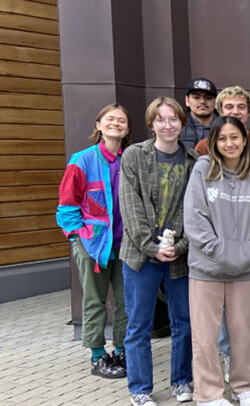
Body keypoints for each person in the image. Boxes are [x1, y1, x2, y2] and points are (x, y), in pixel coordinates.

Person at [184, 116, 250, 406]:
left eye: (234, 137)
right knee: (206, 336)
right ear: (213, 143)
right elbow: (194, 218)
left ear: (245, 139)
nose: (229, 143)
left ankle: (243, 386)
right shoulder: (202, 170)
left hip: (244, 269)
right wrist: (219, 250)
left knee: (242, 333)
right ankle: (208, 394)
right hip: (206, 268)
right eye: (222, 139)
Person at [119, 97, 199, 406]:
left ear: (182, 123)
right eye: (161, 119)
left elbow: (193, 210)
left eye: (173, 119)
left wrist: (179, 246)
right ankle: (139, 389)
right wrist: (151, 247)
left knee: (184, 321)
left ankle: (181, 381)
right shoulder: (134, 156)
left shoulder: (192, 161)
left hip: (179, 254)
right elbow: (131, 204)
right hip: (141, 255)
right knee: (139, 323)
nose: (168, 125)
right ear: (151, 124)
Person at [57, 104, 131, 380]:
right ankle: (98, 355)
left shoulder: (131, 160)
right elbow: (67, 206)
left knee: (128, 301)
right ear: (98, 125)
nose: (115, 123)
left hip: (125, 244)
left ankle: (123, 350)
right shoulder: (82, 160)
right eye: (109, 119)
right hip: (92, 244)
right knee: (94, 301)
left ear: (127, 128)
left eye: (121, 120)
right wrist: (78, 237)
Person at [195, 86, 250, 167]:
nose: (235, 112)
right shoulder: (204, 146)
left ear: (248, 112)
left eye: (241, 107)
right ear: (221, 112)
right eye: (229, 107)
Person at [182, 78, 218, 149]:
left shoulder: (225, 126)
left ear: (215, 101)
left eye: (208, 98)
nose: (202, 101)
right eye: (196, 97)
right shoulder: (178, 128)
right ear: (187, 100)